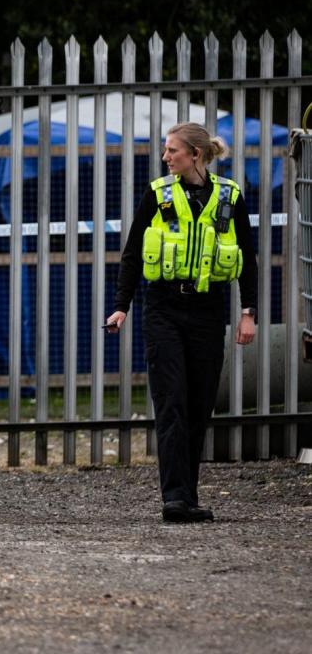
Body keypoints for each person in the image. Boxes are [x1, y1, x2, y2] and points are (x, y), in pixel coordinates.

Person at [107, 122, 257, 524]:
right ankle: (174, 498)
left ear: (196, 154)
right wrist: (121, 306)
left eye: (172, 150)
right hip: (163, 309)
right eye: (165, 150)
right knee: (171, 401)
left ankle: (188, 497)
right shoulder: (158, 195)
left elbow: (248, 257)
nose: (165, 156)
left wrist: (249, 313)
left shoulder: (229, 196)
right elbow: (133, 254)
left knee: (199, 403)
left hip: (208, 311)